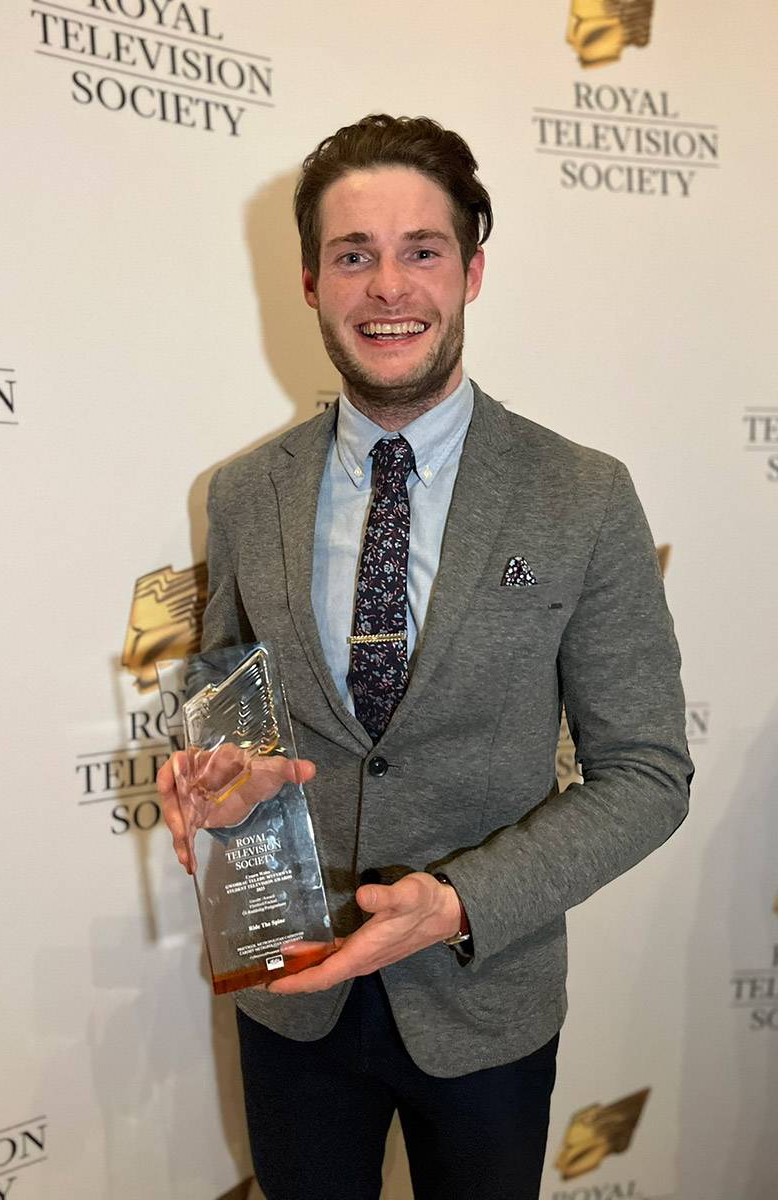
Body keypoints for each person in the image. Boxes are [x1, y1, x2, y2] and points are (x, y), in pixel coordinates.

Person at [157, 114, 693, 1200]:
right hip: (291, 993)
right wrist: (219, 767)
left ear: (472, 271)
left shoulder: (581, 495)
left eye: (421, 250)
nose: (386, 287)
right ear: (311, 282)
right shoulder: (244, 491)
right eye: (353, 255)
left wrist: (457, 901)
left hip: (482, 997)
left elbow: (646, 773)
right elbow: (227, 691)